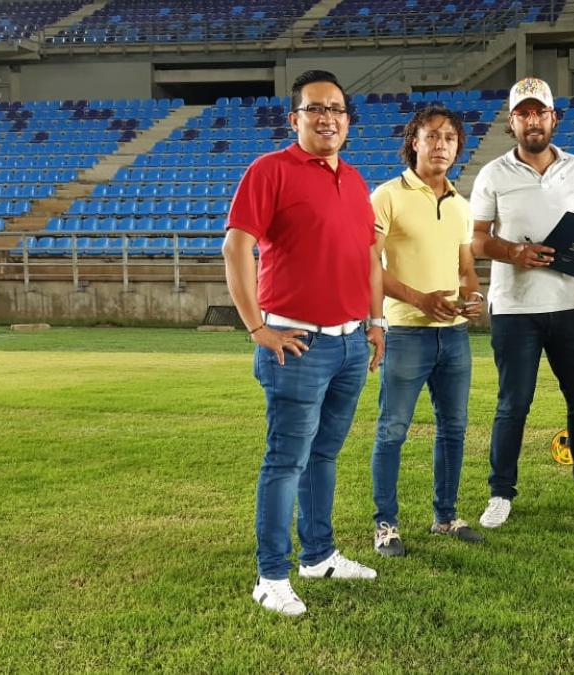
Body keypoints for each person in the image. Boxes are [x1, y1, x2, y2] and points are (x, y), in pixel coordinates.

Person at [223, 69, 388, 617]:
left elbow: (367, 256)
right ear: (294, 118)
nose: (327, 118)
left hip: (348, 345)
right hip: (296, 344)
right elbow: (235, 248)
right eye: (315, 109)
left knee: (324, 456)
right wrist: (257, 328)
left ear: (348, 120)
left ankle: (318, 555)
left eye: (337, 109)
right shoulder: (270, 170)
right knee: (285, 461)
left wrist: (375, 321)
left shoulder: (356, 179)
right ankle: (271, 575)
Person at [469, 77, 574, 529]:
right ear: (512, 122)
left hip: (570, 305)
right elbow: (477, 242)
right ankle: (501, 494)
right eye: (523, 113)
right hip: (516, 308)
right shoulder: (493, 174)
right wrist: (514, 253)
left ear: (554, 118)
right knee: (512, 404)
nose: (532, 120)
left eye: (540, 112)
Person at [368, 105, 486, 557]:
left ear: (458, 147)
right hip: (405, 334)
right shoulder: (387, 196)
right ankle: (386, 525)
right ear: (413, 141)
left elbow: (466, 269)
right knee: (392, 430)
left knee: (453, 428)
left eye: (450, 138)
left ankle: (446, 516)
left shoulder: (460, 205)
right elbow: (369, 268)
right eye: (432, 136)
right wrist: (420, 300)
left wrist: (471, 297)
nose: (441, 145)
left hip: (453, 336)